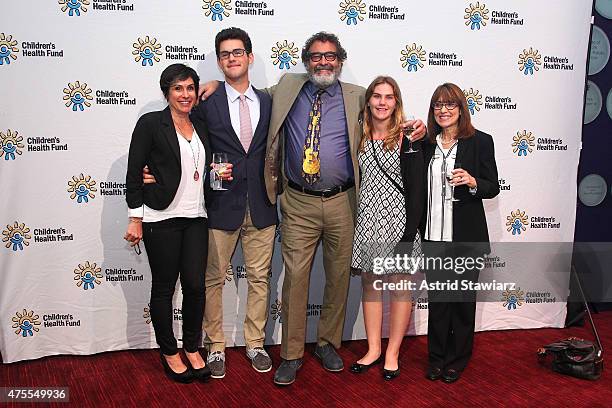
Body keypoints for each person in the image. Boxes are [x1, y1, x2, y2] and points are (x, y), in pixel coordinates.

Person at [262, 33, 427, 386]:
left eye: (331, 56)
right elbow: (247, 98)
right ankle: (291, 355)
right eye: (317, 56)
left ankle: (326, 343)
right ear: (306, 60)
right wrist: (216, 85)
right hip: (298, 202)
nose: (324, 62)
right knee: (295, 280)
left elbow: (389, 120)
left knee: (338, 278)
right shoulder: (287, 86)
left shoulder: (357, 96)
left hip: (344, 202)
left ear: (340, 60)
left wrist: (419, 128)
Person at [193, 27, 276, 378]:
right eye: (225, 54)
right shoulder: (205, 103)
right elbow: (194, 153)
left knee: (259, 278)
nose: (232, 58)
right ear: (219, 61)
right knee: (214, 279)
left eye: (238, 52)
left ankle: (255, 342)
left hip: (262, 204)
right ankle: (215, 347)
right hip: (220, 204)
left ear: (250, 57)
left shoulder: (271, 102)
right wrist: (212, 171)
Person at [124, 63, 212, 383]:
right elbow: (135, 173)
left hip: (196, 217)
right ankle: (169, 351)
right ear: (166, 92)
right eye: (178, 88)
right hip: (160, 217)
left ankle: (192, 346)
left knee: (195, 286)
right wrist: (136, 217)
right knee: (164, 287)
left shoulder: (200, 123)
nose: (185, 94)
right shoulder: (150, 124)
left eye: (190, 88)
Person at [419, 82, 499, 384]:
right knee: (439, 303)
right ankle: (436, 359)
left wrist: (473, 180)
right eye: (438, 104)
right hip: (433, 238)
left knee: (463, 303)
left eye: (450, 104)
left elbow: (492, 187)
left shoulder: (480, 142)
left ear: (461, 109)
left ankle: (457, 360)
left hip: (466, 239)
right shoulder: (426, 143)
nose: (443, 110)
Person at [348, 76, 424, 381]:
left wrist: (408, 236)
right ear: (368, 101)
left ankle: (392, 353)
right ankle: (373, 350)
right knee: (371, 286)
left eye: (389, 97)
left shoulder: (409, 139)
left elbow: (417, 190)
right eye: (377, 96)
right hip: (367, 223)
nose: (382, 102)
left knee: (401, 289)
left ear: (397, 102)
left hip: (399, 224)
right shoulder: (359, 136)